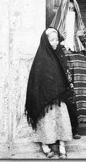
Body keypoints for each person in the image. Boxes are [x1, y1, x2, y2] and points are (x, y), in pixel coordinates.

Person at [25, 28, 74, 159]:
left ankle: (62, 144)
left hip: (59, 98)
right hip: (46, 100)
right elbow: (38, 81)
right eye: (52, 40)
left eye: (57, 39)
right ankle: (45, 145)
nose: (55, 42)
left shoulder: (60, 55)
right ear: (45, 41)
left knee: (61, 119)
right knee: (46, 121)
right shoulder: (41, 57)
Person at [50, 0, 86, 138]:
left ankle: (75, 128)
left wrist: (81, 37)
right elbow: (50, 47)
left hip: (79, 62)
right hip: (64, 62)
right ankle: (62, 128)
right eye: (68, 9)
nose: (71, 12)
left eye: (73, 9)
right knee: (65, 93)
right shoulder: (56, 29)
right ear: (63, 10)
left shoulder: (80, 27)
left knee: (78, 94)